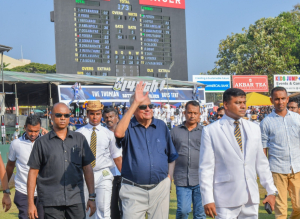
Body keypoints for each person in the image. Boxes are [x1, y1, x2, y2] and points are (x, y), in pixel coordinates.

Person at [199, 88, 277, 219]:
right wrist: (207, 198)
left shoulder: (254, 128)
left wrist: (271, 191)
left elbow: (262, 163)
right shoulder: (211, 131)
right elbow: (206, 169)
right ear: (226, 105)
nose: (243, 106)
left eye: (243, 102)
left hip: (250, 198)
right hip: (225, 199)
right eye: (238, 102)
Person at [114, 81, 178, 219]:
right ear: (134, 108)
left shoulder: (161, 126)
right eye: (143, 107)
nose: (148, 109)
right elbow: (118, 133)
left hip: (159, 188)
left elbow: (171, 156)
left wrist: (169, 178)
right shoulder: (128, 126)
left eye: (150, 105)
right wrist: (135, 103)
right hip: (133, 189)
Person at [27, 103, 96, 219]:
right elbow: (33, 173)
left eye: (66, 115)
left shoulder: (79, 139)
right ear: (52, 116)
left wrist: (92, 197)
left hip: (76, 199)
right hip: (51, 201)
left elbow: (87, 168)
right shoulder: (41, 143)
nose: (63, 118)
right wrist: (30, 204)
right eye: (59, 115)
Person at [76, 101, 122, 219]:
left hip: (104, 174)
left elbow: (116, 157)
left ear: (101, 114)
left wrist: (127, 177)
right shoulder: (79, 134)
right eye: (92, 114)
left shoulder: (109, 134)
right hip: (84, 175)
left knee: (104, 210)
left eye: (97, 114)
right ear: (87, 114)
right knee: (87, 211)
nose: (95, 117)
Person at [260, 87, 300, 219]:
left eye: (283, 98)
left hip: (297, 168)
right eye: (277, 99)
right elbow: (263, 149)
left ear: (287, 99)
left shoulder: (297, 118)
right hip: (277, 170)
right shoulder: (266, 122)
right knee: (281, 210)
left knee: (298, 206)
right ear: (272, 100)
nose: (280, 101)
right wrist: (263, 171)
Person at [5, 115, 47, 219]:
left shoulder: (46, 142)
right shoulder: (16, 144)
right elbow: (10, 166)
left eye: (36, 131)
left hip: (43, 192)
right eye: (30, 131)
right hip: (23, 191)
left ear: (41, 128)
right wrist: (6, 190)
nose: (33, 134)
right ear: (24, 127)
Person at [170, 101, 206, 219]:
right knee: (183, 211)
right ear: (184, 113)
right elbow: (169, 155)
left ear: (199, 114)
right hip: (181, 178)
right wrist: (169, 177)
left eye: (195, 113)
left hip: (201, 179)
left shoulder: (205, 132)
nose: (192, 115)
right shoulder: (175, 132)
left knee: (200, 213)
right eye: (189, 112)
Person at [103, 107, 122, 219]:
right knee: (111, 206)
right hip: (108, 175)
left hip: (124, 175)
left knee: (126, 206)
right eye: (106, 117)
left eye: (111, 117)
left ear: (117, 118)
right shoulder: (102, 133)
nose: (108, 119)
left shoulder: (126, 133)